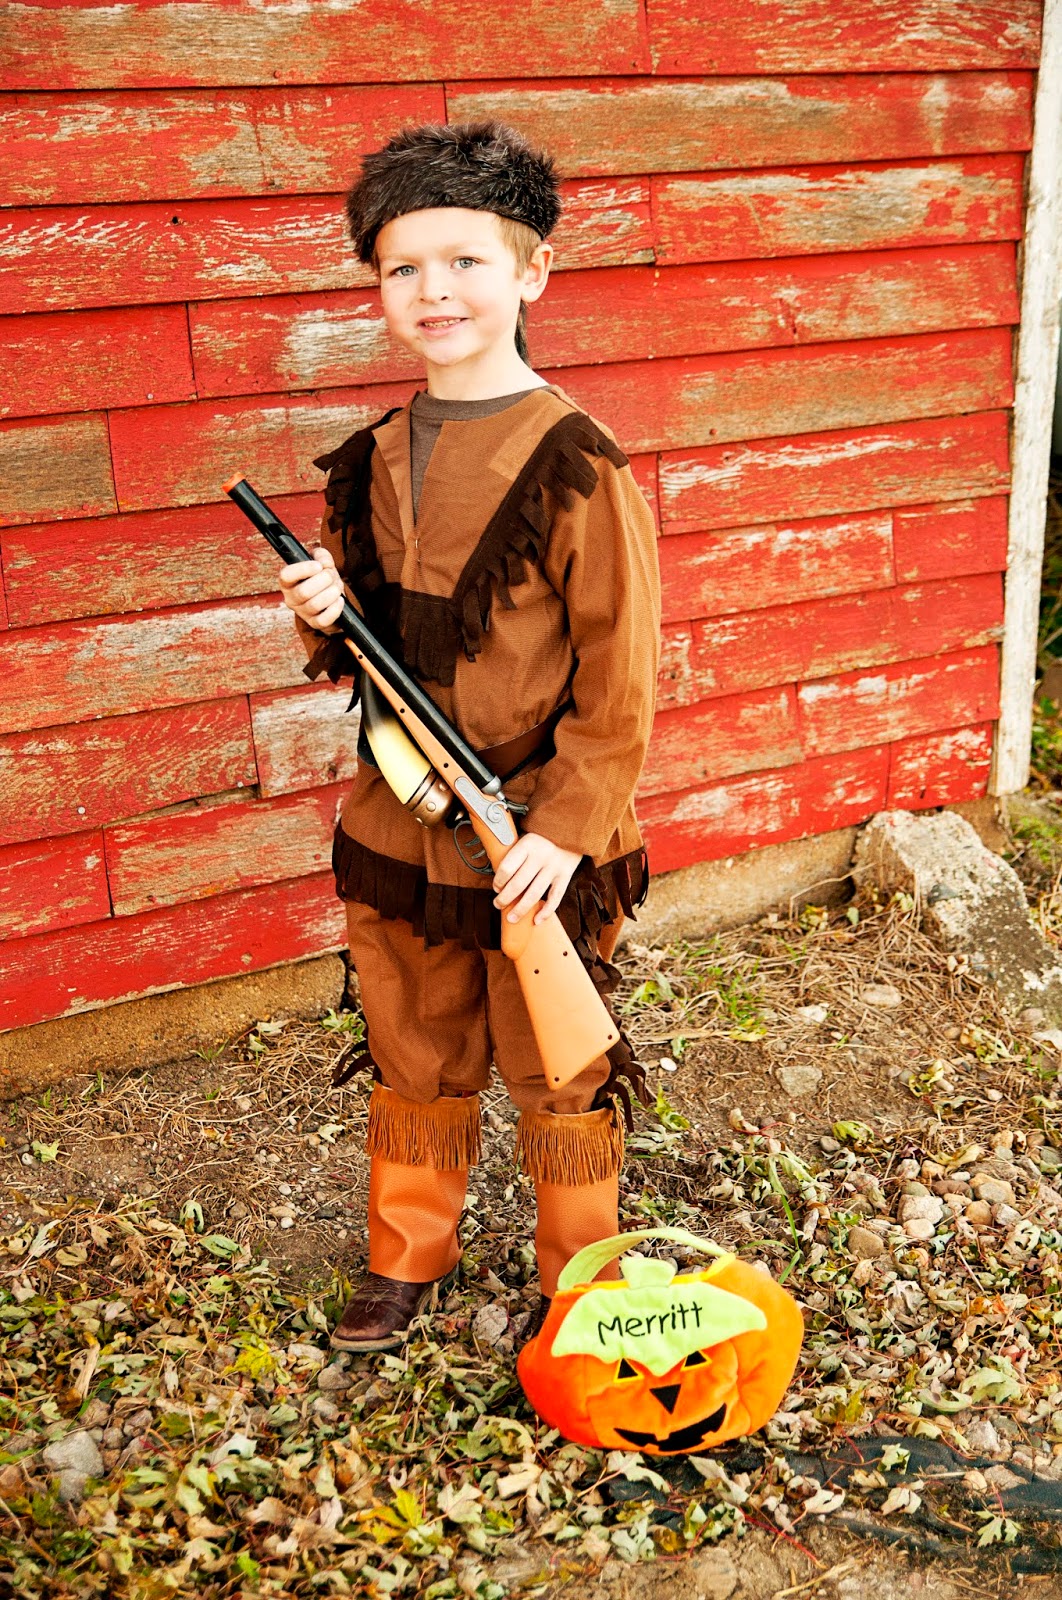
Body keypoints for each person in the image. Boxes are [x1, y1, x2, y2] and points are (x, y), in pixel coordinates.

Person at [278, 121, 661, 1353]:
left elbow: (622, 682)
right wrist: (325, 618)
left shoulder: (578, 466)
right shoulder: (374, 459)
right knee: (410, 1039)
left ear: (532, 272)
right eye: (401, 268)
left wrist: (562, 833)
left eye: (463, 262)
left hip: (533, 836)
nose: (433, 291)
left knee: (560, 1065)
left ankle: (585, 1278)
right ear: (377, 286)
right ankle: (406, 1255)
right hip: (398, 816)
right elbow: (366, 657)